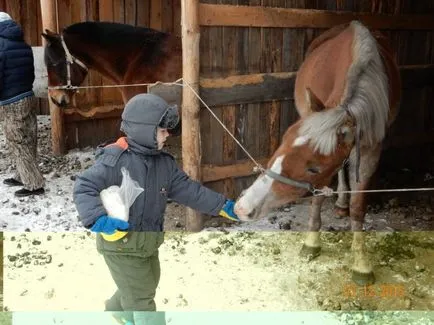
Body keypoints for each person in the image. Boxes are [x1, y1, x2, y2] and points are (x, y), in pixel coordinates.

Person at [73, 93, 239, 325]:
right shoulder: (115, 161)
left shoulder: (164, 165)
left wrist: (222, 205)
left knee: (148, 282)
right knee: (142, 299)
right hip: (120, 246)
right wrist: (99, 220)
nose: (167, 135)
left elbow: (190, 191)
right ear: (144, 130)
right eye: (162, 130)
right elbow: (84, 186)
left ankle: (116, 310)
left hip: (147, 243)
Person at [0, 11, 45, 197]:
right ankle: (22, 174)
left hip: (11, 100)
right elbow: (30, 73)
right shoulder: (23, 45)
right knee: (28, 138)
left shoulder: (1, 46)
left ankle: (34, 185)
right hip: (27, 95)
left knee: (18, 141)